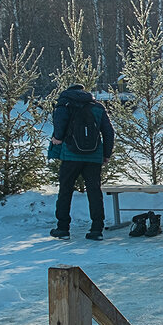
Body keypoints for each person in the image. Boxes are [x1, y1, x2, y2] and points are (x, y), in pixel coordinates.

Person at [48, 84, 115, 241]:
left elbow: (59, 124)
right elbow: (108, 131)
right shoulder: (97, 107)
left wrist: (57, 138)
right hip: (94, 156)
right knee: (94, 192)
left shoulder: (64, 104)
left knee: (65, 190)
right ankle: (96, 229)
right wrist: (106, 154)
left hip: (70, 155)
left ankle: (63, 228)